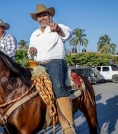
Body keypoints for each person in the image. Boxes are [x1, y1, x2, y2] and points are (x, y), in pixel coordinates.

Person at [28, 4, 76, 134]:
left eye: (44, 15)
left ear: (50, 16)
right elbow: (30, 51)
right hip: (38, 65)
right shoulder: (34, 34)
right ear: (37, 19)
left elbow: (68, 34)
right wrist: (31, 50)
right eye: (39, 16)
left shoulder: (58, 26)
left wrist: (59, 29)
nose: (42, 18)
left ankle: (68, 126)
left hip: (55, 63)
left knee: (58, 88)